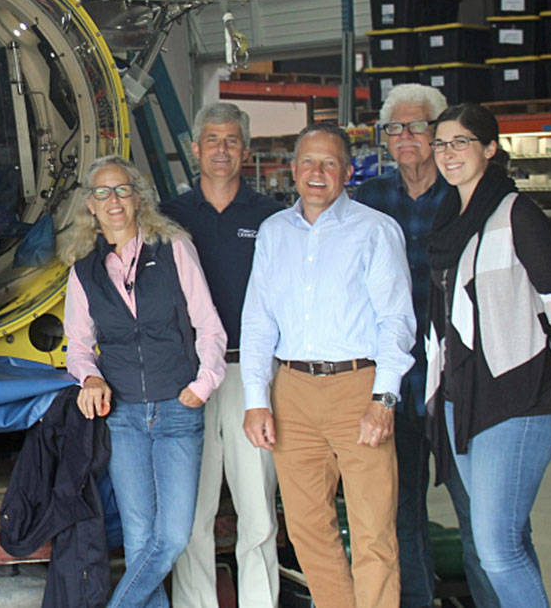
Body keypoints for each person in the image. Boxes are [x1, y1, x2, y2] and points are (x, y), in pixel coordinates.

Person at [241, 122, 415, 608]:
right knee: (306, 529)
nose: (317, 173)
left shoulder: (376, 230)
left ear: (347, 172)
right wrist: (257, 401)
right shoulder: (275, 233)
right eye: (309, 163)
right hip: (291, 389)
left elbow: (396, 320)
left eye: (329, 163)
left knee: (372, 530)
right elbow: (258, 321)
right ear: (293, 170)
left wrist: (383, 398)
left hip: (357, 387)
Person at [425, 103, 551, 608]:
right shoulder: (450, 218)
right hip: (461, 400)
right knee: (509, 540)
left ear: (490, 149)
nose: (449, 154)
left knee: (496, 551)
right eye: (441, 144)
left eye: (461, 142)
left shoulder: (517, 214)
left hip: (516, 398)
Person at [353, 84, 497, 608]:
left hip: (459, 379)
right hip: (392, 381)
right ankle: (417, 599)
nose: (406, 137)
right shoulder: (369, 202)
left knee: (478, 509)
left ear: (439, 134)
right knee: (399, 508)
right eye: (395, 128)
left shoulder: (470, 196)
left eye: (417, 127)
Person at [63, 154, 227, 608]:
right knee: (139, 540)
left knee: (172, 536)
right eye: (102, 192)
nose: (113, 200)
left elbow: (208, 326)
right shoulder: (83, 271)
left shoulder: (174, 248)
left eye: (121, 190)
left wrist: (205, 382)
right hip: (124, 416)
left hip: (178, 408)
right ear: (90, 206)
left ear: (137, 198)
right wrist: (90, 379)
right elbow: (77, 347)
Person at [161, 102, 282, 608]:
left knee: (258, 510)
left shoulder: (272, 216)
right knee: (192, 512)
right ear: (195, 149)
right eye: (212, 139)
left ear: (246, 150)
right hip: (188, 380)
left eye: (231, 140)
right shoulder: (168, 217)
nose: (221, 149)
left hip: (251, 376)